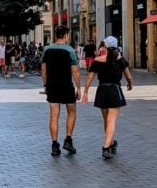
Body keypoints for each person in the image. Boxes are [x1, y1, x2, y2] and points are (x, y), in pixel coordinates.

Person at [82, 36, 133, 160]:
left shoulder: (98, 60)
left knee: (106, 120)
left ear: (104, 47)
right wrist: (129, 84)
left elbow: (90, 77)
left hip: (102, 90)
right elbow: (128, 76)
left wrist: (85, 92)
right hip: (115, 90)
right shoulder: (121, 60)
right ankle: (106, 146)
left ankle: (111, 143)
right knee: (111, 121)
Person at [42, 26, 81, 156]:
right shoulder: (70, 50)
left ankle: (54, 144)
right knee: (71, 112)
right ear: (66, 36)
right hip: (66, 86)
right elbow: (75, 70)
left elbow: (43, 70)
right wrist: (79, 88)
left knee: (54, 115)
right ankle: (68, 140)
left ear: (55, 35)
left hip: (52, 86)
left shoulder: (47, 50)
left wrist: (46, 85)